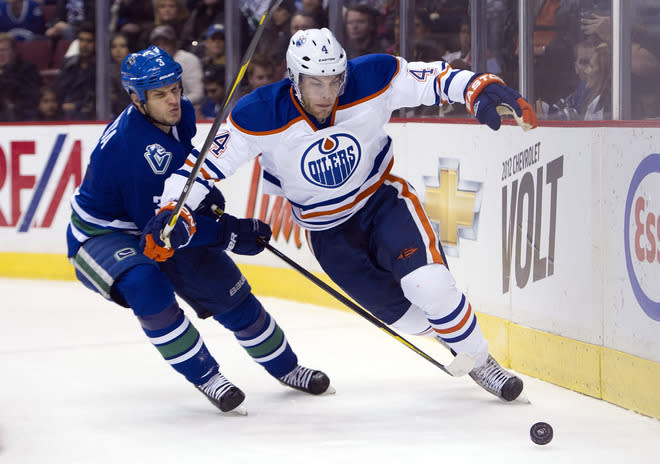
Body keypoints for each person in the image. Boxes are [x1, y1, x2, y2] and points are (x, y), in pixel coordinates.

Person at [154, 28, 538, 402]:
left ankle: (482, 361)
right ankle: (450, 336)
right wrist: (174, 208)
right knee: (408, 320)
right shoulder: (258, 114)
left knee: (430, 286)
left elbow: (434, 78)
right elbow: (200, 169)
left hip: (381, 203)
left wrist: (477, 88)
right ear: (293, 77)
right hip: (329, 235)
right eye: (315, 83)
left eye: (335, 81)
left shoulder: (372, 76)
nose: (327, 94)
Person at [66, 46, 333, 415]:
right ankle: (207, 377)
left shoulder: (182, 114)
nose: (174, 100)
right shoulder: (129, 150)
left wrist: (208, 207)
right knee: (147, 285)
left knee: (233, 297)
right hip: (100, 237)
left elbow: (184, 183)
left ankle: (288, 369)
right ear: (136, 98)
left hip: (155, 219)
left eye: (175, 88)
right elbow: (164, 230)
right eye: (160, 95)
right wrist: (228, 232)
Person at [149, 24, 204, 107]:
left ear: (174, 44)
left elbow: (198, 94)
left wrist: (171, 103)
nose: (161, 48)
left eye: (165, 44)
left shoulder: (187, 59)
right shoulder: (151, 64)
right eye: (157, 44)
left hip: (187, 108)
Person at [52, 20, 95, 120]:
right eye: (81, 40)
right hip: (62, 113)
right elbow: (57, 89)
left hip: (88, 115)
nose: (84, 45)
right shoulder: (68, 63)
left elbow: (95, 98)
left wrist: (76, 106)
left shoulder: (101, 68)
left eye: (89, 41)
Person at [0, 32, 42, 120]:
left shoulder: (27, 69)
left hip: (20, 115)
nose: (0, 54)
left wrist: (4, 74)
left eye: (3, 50)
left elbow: (31, 96)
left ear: (14, 51)